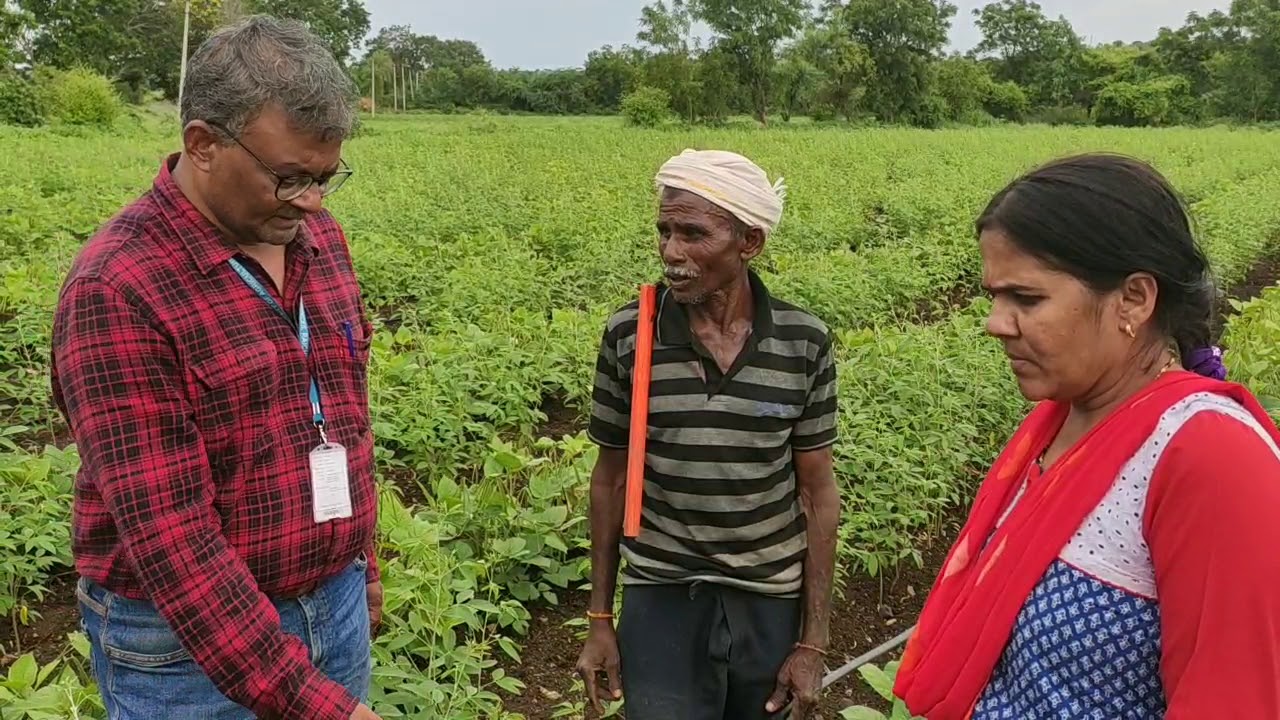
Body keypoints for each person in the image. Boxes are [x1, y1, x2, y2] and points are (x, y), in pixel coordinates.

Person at [50, 16, 382, 720]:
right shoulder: (119, 287)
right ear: (203, 144)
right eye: (289, 178)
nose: (312, 201)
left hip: (336, 602)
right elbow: (172, 539)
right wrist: (317, 705)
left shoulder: (318, 237)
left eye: (326, 178)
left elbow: (345, 417)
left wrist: (362, 569)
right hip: (182, 652)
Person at [892, 153, 1280, 720]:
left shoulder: (1212, 457)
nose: (995, 323)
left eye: (1026, 299)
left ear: (1134, 299)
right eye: (993, 296)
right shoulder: (1057, 424)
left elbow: (1232, 700)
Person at [574, 149, 841, 720]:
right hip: (662, 592)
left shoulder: (803, 342)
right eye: (665, 231)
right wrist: (599, 619)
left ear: (750, 242)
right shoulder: (631, 335)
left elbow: (816, 492)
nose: (671, 252)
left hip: (768, 596)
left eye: (693, 234)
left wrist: (813, 642)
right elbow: (610, 480)